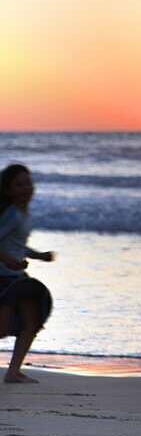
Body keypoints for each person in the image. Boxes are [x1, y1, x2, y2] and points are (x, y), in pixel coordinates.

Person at [0, 164, 55, 384]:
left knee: (31, 322)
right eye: (19, 184)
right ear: (7, 191)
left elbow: (16, 244)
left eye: (28, 183)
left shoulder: (24, 214)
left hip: (17, 277)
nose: (26, 188)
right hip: (4, 277)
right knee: (2, 330)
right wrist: (5, 259)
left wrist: (38, 255)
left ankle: (13, 371)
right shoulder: (12, 214)